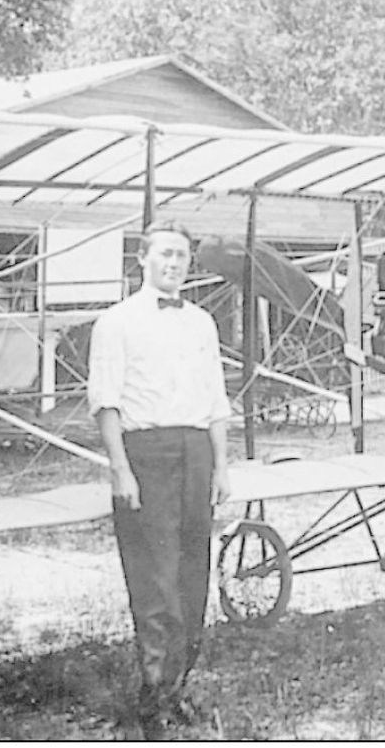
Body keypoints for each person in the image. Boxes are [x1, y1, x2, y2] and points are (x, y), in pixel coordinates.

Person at [88, 221, 233, 739]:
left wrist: (221, 465)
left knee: (194, 572)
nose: (174, 264)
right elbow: (105, 403)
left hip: (196, 450)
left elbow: (216, 401)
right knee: (155, 577)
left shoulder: (202, 323)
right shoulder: (116, 322)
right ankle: (152, 700)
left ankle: (177, 687)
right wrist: (120, 468)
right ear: (142, 259)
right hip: (145, 453)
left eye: (183, 257)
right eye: (165, 255)